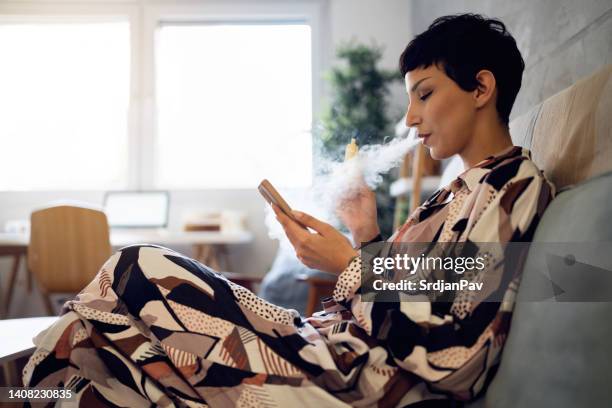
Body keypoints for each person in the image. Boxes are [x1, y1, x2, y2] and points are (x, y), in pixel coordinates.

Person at [23, 14, 554, 407]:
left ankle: (23, 389)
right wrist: (366, 235)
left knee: (134, 269)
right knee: (111, 346)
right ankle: (27, 390)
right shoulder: (458, 192)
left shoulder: (512, 188)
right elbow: (419, 287)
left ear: (481, 87)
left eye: (424, 93)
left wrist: (350, 262)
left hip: (353, 375)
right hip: (324, 343)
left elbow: (456, 348)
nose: (410, 118)